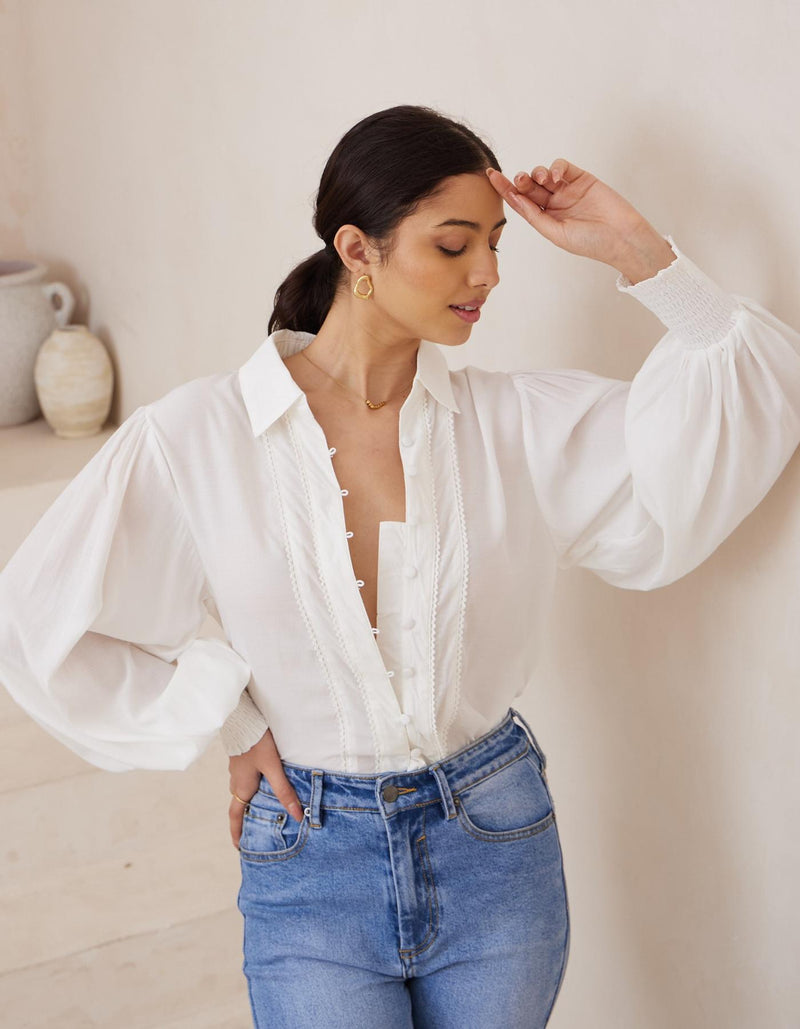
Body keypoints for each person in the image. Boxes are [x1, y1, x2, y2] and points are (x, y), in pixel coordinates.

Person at [1, 104, 799, 1029]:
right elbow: (40, 616)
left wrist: (636, 250)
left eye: (495, 244)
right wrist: (230, 715)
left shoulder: (518, 425)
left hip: (496, 842)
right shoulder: (197, 436)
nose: (487, 273)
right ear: (358, 250)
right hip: (311, 860)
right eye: (454, 245)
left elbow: (735, 413)